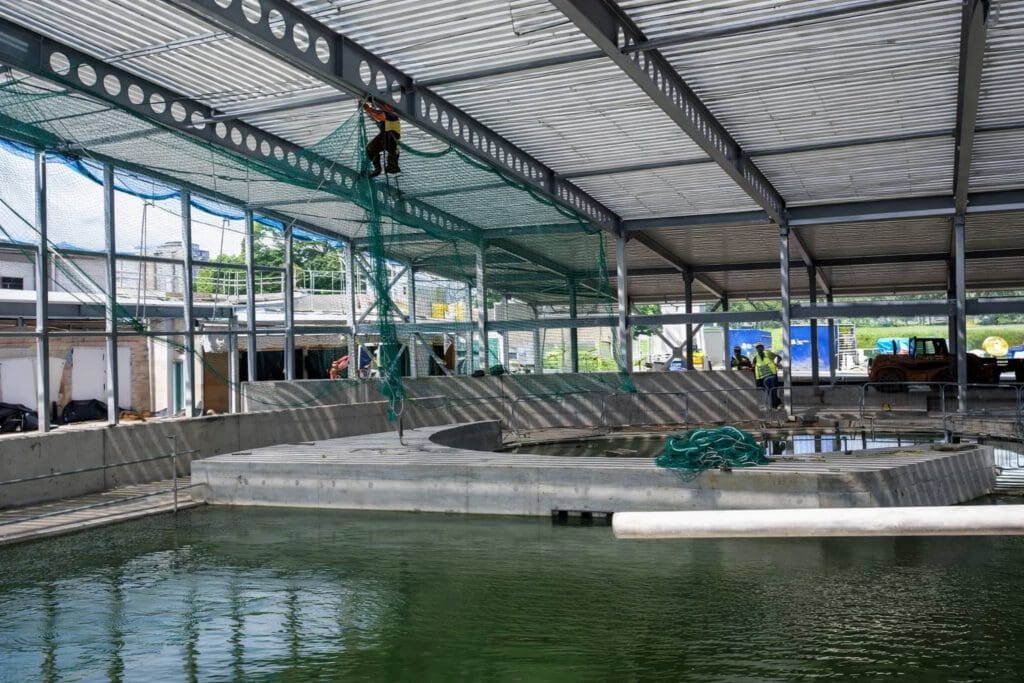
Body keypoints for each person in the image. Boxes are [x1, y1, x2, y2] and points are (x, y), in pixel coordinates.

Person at [363, 98, 401, 177]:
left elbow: (380, 113)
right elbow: (377, 115)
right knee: (370, 148)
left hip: (392, 137)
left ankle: (392, 166)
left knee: (392, 151)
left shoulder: (392, 116)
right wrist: (367, 109)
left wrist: (369, 109)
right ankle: (378, 168)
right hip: (384, 138)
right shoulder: (383, 118)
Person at [752, 343, 782, 409]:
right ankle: (778, 403)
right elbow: (753, 366)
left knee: (773, 390)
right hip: (763, 377)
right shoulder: (756, 357)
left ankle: (774, 406)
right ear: (756, 349)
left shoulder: (768, 353)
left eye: (760, 347)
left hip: (772, 375)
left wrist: (777, 363)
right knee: (768, 392)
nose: (759, 348)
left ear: (763, 348)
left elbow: (779, 357)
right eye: (757, 347)